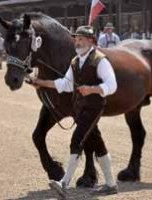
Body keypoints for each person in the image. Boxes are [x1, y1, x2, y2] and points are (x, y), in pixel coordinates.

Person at [31, 26, 118, 197]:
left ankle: (63, 183)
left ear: (91, 41)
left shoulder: (101, 61)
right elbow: (65, 84)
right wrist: (41, 82)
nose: (77, 42)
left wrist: (92, 89)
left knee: (76, 140)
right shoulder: (75, 62)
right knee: (98, 145)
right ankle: (111, 184)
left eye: (81, 39)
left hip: (93, 107)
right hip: (80, 107)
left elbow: (112, 85)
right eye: (76, 39)